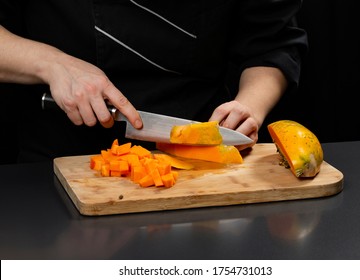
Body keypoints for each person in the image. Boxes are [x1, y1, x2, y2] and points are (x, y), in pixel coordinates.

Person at [0, 0, 308, 162]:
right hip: (58, 163)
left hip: (202, 163)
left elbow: (273, 42)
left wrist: (248, 107)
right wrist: (54, 64)